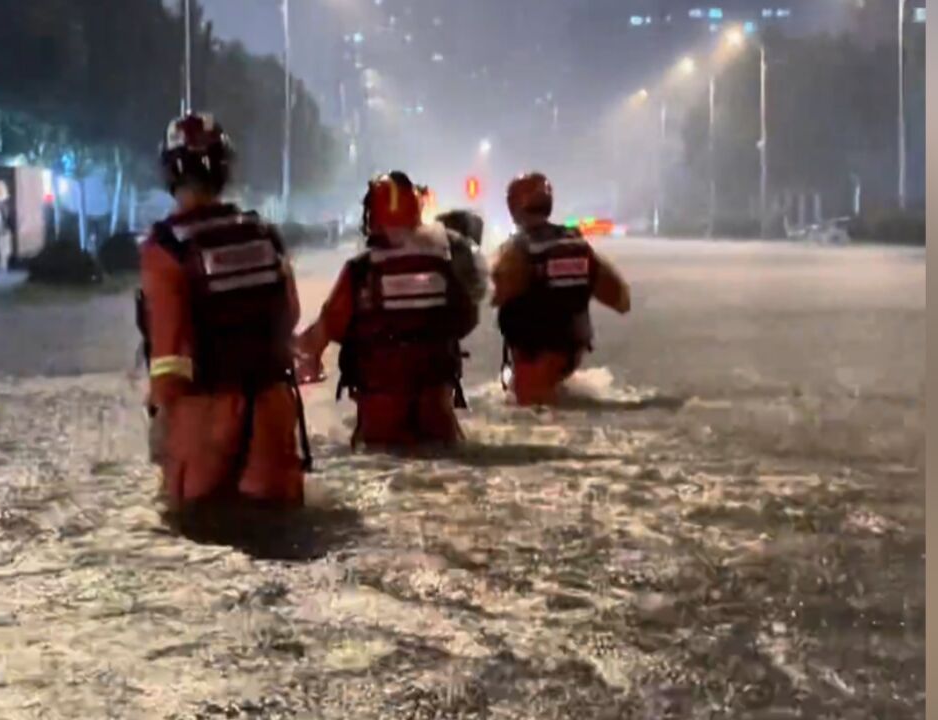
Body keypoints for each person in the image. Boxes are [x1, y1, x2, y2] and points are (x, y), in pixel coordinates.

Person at [137, 112, 311, 531]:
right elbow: (290, 313)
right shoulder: (264, 235)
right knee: (281, 534)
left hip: (204, 417)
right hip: (272, 409)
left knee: (195, 532)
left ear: (170, 173)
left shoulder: (166, 248)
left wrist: (161, 416)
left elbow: (169, 354)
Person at [296, 171, 477, 450]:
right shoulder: (446, 266)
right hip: (438, 411)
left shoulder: (361, 272)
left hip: (382, 419)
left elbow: (322, 333)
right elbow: (467, 318)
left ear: (373, 215)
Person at [491, 171, 631, 406]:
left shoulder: (517, 249)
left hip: (534, 356)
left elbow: (497, 294)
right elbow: (621, 301)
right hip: (572, 351)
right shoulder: (578, 245)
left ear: (513, 206)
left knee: (530, 409)